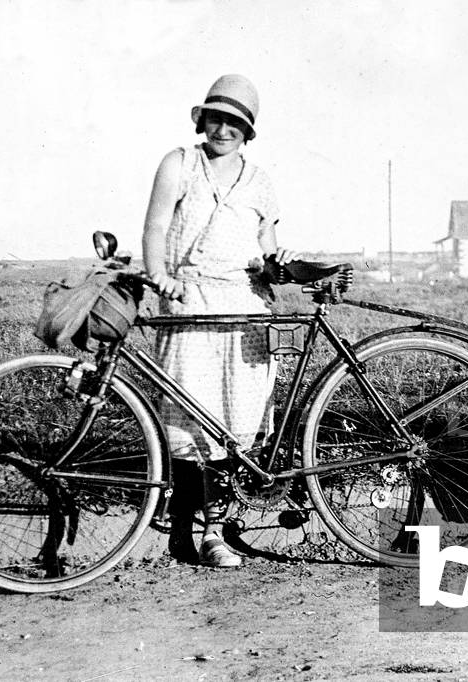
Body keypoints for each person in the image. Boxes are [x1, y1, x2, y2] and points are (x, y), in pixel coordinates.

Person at [142, 74, 296, 567]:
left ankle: (215, 531)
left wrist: (278, 263)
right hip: (191, 303)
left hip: (245, 311)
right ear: (202, 119)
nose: (223, 129)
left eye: (235, 122)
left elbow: (267, 247)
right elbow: (156, 225)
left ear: (247, 131)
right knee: (189, 421)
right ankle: (183, 530)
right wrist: (160, 276)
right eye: (216, 118)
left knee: (235, 422)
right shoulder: (179, 164)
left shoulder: (260, 181)